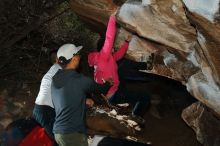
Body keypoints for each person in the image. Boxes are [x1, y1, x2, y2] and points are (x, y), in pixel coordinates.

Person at [51, 44, 112, 146]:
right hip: (73, 134)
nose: (80, 57)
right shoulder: (80, 80)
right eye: (78, 54)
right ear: (74, 59)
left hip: (58, 132)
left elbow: (66, 98)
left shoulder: (55, 78)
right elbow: (101, 89)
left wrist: (83, 101)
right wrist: (108, 83)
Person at [88, 15, 130, 99]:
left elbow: (118, 55)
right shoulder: (103, 57)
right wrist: (112, 18)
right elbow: (109, 38)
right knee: (141, 97)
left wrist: (126, 43)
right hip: (110, 94)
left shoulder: (108, 58)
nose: (113, 47)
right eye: (111, 47)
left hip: (113, 89)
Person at [32, 50, 61, 141]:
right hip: (46, 112)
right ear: (57, 59)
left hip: (39, 110)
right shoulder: (59, 68)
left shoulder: (52, 71)